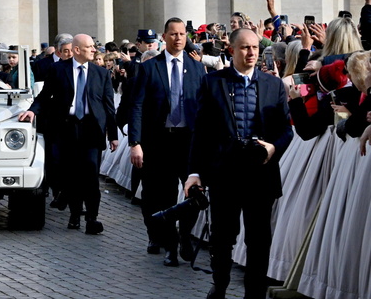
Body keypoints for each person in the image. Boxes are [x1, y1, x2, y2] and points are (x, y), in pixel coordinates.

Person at [184, 28, 293, 299]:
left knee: (259, 240)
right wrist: (194, 173)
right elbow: (201, 131)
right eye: (245, 48)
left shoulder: (273, 86)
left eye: (255, 47)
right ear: (231, 50)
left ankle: (254, 293)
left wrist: (272, 147)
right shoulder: (213, 83)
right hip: (224, 175)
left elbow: (286, 130)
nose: (252, 53)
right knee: (222, 238)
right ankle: (219, 285)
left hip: (261, 174)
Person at [128, 17, 207, 266]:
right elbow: (137, 105)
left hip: (189, 142)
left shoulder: (197, 68)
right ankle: (170, 246)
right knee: (161, 197)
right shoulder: (151, 67)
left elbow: (204, 107)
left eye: (182, 34)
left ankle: (185, 234)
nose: (179, 38)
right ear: (164, 37)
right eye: (173, 34)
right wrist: (135, 142)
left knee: (193, 193)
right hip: (159, 141)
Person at [21, 34, 118, 234]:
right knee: (72, 174)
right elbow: (45, 96)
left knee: (91, 174)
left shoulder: (101, 74)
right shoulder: (58, 70)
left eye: (94, 46)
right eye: (89, 47)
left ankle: (92, 218)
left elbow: (109, 106)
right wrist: (32, 110)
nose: (94, 50)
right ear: (76, 50)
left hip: (92, 128)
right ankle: (75, 215)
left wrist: (113, 134)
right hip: (67, 128)